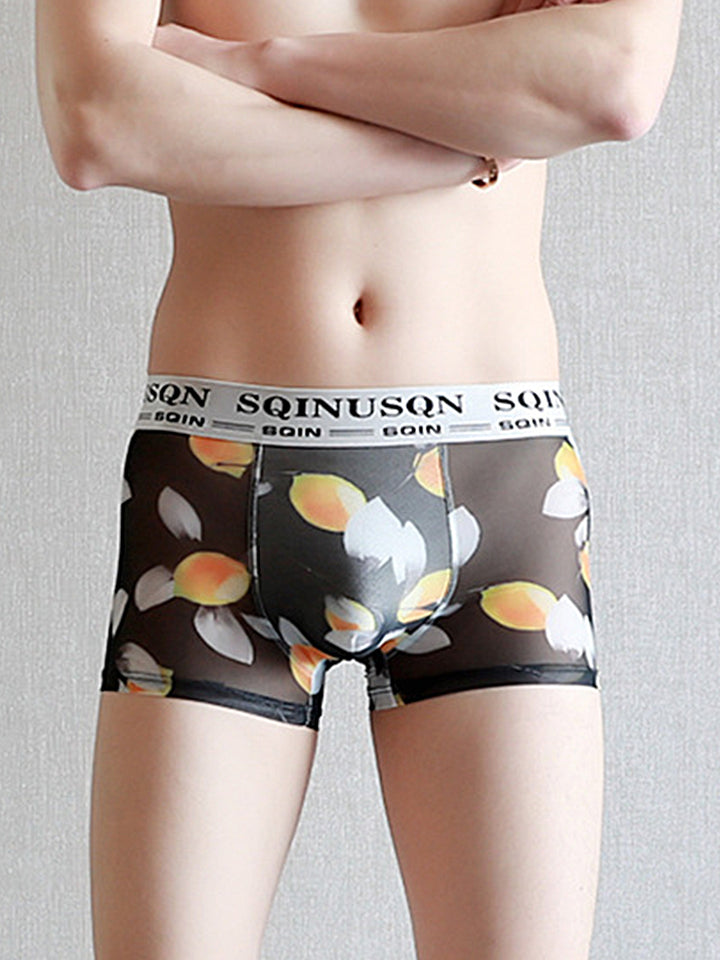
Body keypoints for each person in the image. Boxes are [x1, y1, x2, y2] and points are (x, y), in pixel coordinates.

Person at [36, 0, 682, 957]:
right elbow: (97, 120)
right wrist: (466, 143)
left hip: (494, 486)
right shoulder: (469, 149)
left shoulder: (255, 63)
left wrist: (260, 65)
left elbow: (613, 82)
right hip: (217, 479)